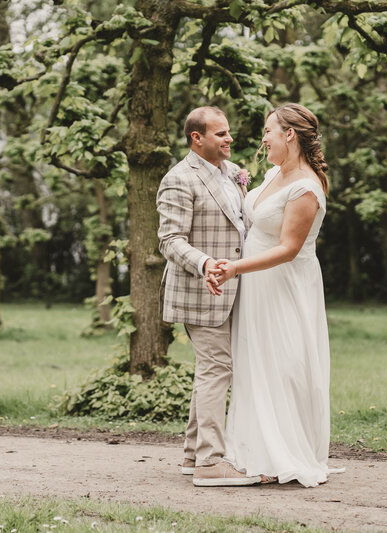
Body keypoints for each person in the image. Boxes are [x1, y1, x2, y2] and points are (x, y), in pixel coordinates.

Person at [209, 103, 341, 487]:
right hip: (257, 283)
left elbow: (288, 248)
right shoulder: (272, 174)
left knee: (284, 364)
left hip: (285, 284)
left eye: (269, 131)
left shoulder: (306, 187)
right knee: (256, 360)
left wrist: (234, 268)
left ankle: (284, 452)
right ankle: (254, 449)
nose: (263, 137)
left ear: (289, 135)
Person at [156, 106, 261, 487]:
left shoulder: (234, 174)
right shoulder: (178, 179)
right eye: (220, 134)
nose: (229, 138)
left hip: (235, 289)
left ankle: (191, 456)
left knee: (212, 371)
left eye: (228, 132)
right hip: (200, 291)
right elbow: (170, 240)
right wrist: (205, 265)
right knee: (218, 369)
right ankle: (211, 464)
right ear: (196, 138)